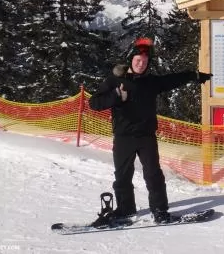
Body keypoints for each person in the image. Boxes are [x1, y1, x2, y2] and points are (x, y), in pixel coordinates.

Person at [88, 37, 212, 224]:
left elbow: (172, 79)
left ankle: (160, 211)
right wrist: (115, 96)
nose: (141, 64)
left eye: (145, 62)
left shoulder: (151, 82)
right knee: (122, 176)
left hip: (146, 137)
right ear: (131, 60)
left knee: (154, 175)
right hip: (123, 138)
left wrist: (194, 75)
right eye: (138, 60)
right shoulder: (115, 81)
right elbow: (94, 103)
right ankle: (125, 209)